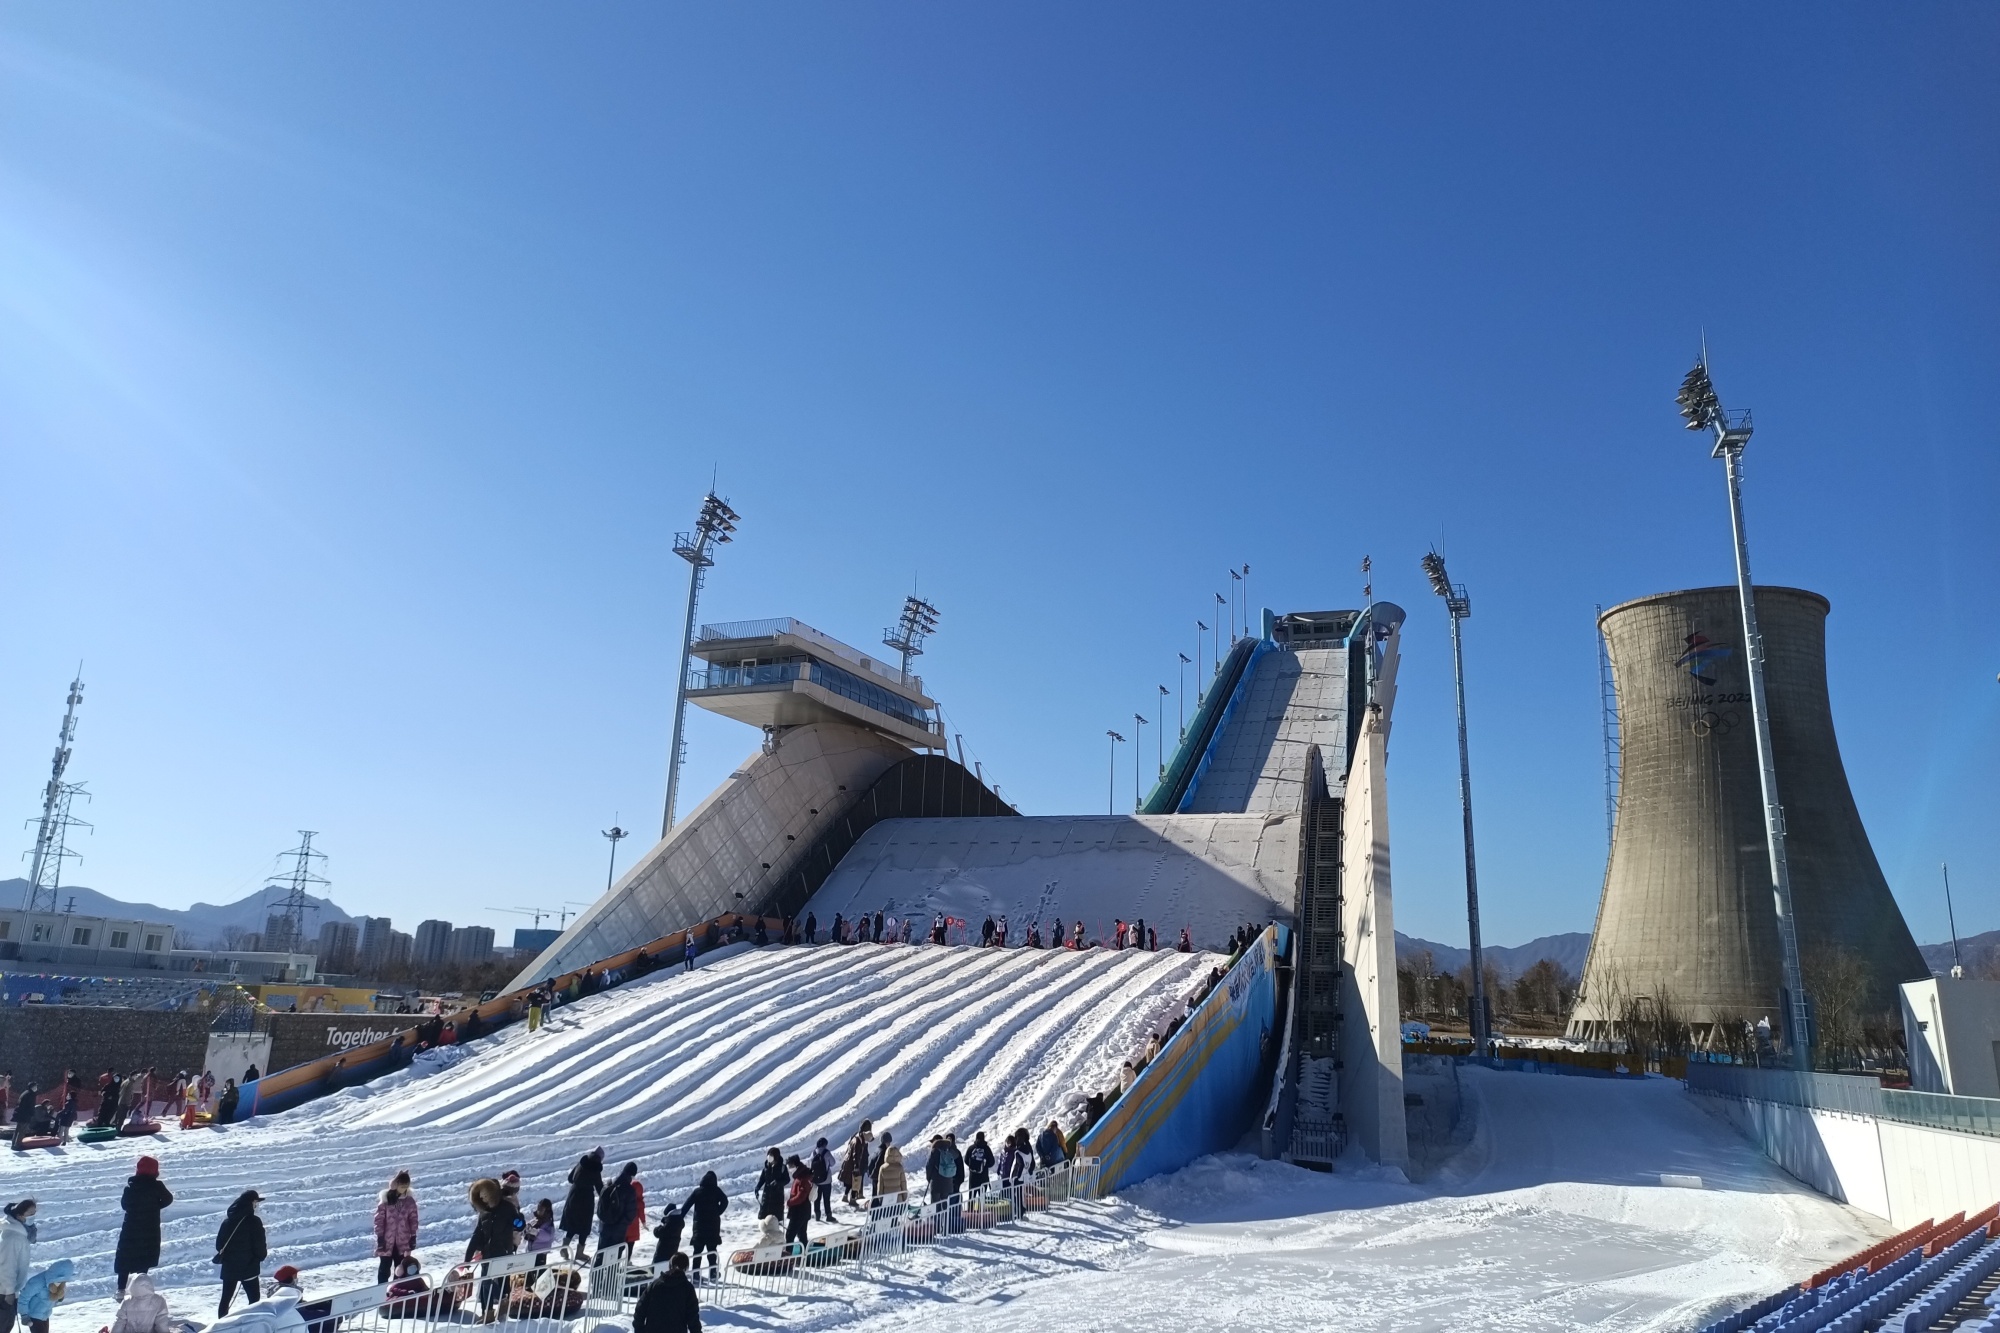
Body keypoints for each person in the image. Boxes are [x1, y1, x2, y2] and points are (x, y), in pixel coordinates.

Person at [116, 1155, 173, 1296]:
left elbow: (124, 1205)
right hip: (150, 1228)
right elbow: (168, 1199)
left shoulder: (131, 1187)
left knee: (126, 1257)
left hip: (130, 1228)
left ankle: (121, 1289)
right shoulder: (157, 1186)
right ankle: (139, 1290)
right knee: (144, 1258)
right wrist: (156, 1206)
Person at [465, 1179, 517, 1322]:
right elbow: (477, 1235)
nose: (482, 1198)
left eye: (484, 1194)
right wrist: (467, 1258)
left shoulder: (507, 1207)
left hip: (504, 1251)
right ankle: (487, 1312)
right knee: (486, 1283)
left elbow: (517, 1222)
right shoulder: (484, 1213)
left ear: (492, 1193)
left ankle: (504, 1304)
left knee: (502, 1282)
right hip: (488, 1254)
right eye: (480, 1196)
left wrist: (519, 1223)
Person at [214, 1190, 268, 1317]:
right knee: (254, 1300)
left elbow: (219, 1245)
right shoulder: (254, 1221)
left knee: (225, 1299)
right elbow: (259, 1245)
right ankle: (253, 1325)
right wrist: (259, 1258)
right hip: (249, 1267)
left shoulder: (227, 1221)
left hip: (229, 1267)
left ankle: (221, 1326)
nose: (257, 1205)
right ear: (252, 1203)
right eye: (256, 1202)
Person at [631, 1252, 700, 1333]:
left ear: (670, 1266)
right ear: (686, 1267)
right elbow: (693, 1317)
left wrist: (639, 1329)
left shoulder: (655, 1285)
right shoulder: (688, 1288)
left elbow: (640, 1309)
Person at [373, 1171, 418, 1284]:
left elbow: (413, 1219)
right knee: (384, 1269)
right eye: (402, 1186)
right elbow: (379, 1220)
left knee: (400, 1269)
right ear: (396, 1185)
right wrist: (380, 1237)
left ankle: (397, 1291)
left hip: (403, 1241)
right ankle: (381, 1291)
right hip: (387, 1241)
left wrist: (413, 1235)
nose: (404, 1188)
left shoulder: (409, 1202)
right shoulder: (386, 1201)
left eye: (406, 1186)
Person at [681, 1172, 728, 1281]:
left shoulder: (697, 1192)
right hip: (713, 1226)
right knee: (712, 1250)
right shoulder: (716, 1191)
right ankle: (713, 1273)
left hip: (699, 1226)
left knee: (697, 1250)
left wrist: (680, 1217)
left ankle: (695, 1273)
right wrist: (718, 1212)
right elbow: (725, 1201)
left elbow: (687, 1205)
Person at [0, 1200, 38, 1333]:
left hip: (8, 1290)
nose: (33, 1216)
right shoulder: (12, 1237)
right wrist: (9, 1292)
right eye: (30, 1213)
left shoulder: (20, 1233)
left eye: (35, 1213)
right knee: (4, 1326)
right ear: (20, 1215)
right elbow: (6, 1266)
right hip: (3, 1292)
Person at [560, 1149, 603, 1257]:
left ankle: (564, 1248)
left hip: (573, 1195)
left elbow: (570, 1178)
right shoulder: (595, 1168)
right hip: (586, 1198)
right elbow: (599, 1188)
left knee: (572, 1223)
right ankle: (579, 1253)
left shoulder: (582, 1162)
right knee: (584, 1225)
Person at [595, 1164, 638, 1262]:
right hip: (618, 1232)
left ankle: (595, 1277)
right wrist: (620, 1224)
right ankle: (610, 1277)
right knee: (613, 1260)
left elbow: (600, 1206)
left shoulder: (609, 1183)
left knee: (600, 1257)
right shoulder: (629, 1190)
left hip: (604, 1227)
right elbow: (631, 1214)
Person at [16, 1258, 72, 1333]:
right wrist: (24, 1315)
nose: (61, 1283)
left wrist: (60, 1297)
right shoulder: (36, 1282)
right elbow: (24, 1297)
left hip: (45, 1315)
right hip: (34, 1316)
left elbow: (52, 1299)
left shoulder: (60, 1284)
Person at [841, 1122, 872, 1208]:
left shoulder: (855, 1136)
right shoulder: (860, 1140)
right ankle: (853, 1199)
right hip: (856, 1163)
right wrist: (857, 1166)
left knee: (850, 1181)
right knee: (856, 1180)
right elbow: (857, 1154)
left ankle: (845, 1195)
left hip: (850, 1162)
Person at [783, 1162, 812, 1251]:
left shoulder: (802, 1178)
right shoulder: (800, 1176)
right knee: (802, 1235)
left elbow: (801, 1197)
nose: (790, 1170)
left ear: (796, 1166)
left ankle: (788, 1258)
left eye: (790, 1167)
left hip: (799, 1211)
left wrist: (789, 1202)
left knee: (790, 1235)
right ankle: (804, 1256)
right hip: (802, 1210)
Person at [808, 1138, 837, 1221]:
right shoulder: (826, 1152)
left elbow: (810, 1164)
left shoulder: (813, 1153)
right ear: (824, 1144)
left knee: (817, 1198)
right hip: (826, 1180)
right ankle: (828, 1215)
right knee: (826, 1199)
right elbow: (833, 1163)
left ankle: (817, 1215)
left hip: (816, 1181)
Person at [872, 1140, 906, 1207]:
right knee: (897, 1216)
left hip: (886, 1201)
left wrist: (880, 1199)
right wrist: (905, 1198)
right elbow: (903, 1185)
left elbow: (880, 1186)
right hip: (898, 1201)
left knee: (888, 1215)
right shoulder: (900, 1168)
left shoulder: (882, 1168)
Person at [650, 1203, 684, 1267]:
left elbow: (657, 1233)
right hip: (673, 1248)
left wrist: (658, 1227)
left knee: (657, 1266)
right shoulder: (678, 1221)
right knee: (669, 1263)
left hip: (663, 1250)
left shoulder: (670, 1223)